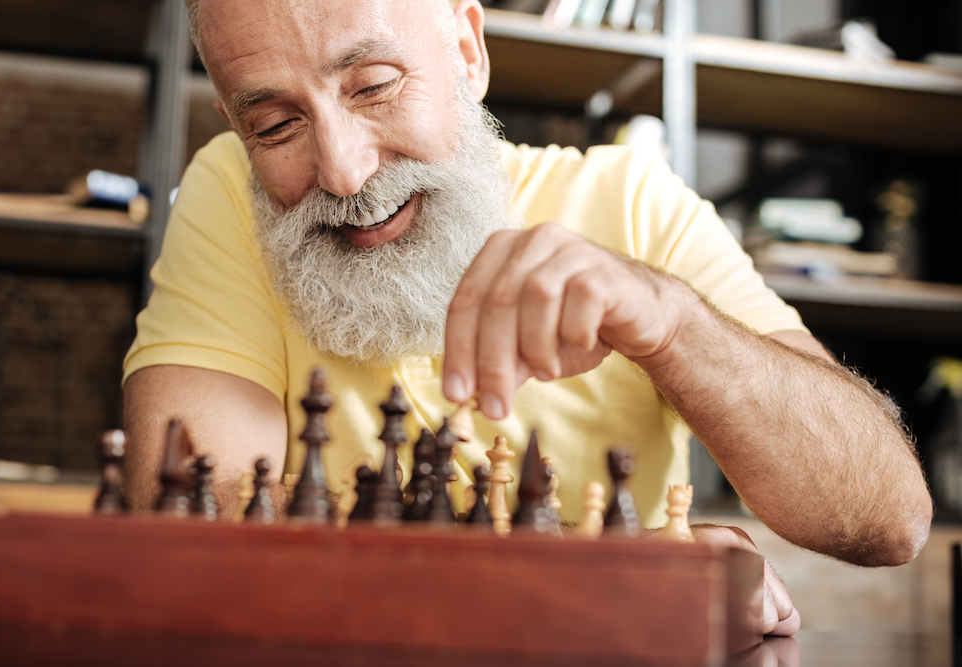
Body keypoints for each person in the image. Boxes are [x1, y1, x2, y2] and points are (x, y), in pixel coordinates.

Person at [121, 0, 932, 636]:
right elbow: (197, 531)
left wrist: (672, 323)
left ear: (467, 52)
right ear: (237, 127)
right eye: (275, 126)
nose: (341, 169)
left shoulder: (630, 200)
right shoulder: (234, 191)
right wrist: (597, 582)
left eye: (374, 86)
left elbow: (888, 519)